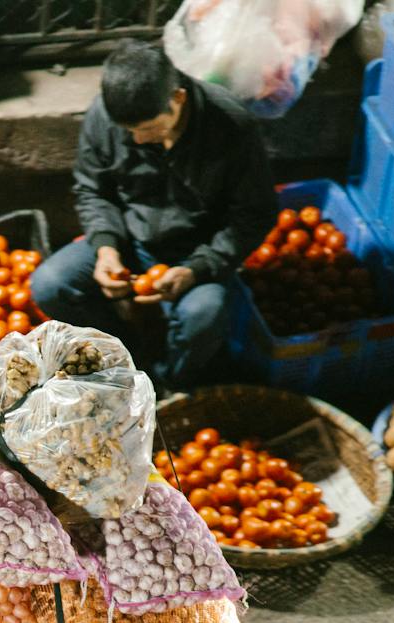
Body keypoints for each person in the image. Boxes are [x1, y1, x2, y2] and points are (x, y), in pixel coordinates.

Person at [29, 40, 275, 390]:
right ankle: (125, 356)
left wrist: (197, 268)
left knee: (203, 316)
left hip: (197, 251)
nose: (141, 140)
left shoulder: (231, 126)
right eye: (131, 132)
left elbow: (255, 214)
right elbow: (93, 190)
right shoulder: (106, 116)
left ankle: (171, 384)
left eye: (150, 128)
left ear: (178, 99)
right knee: (51, 284)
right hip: (130, 238)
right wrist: (107, 248)